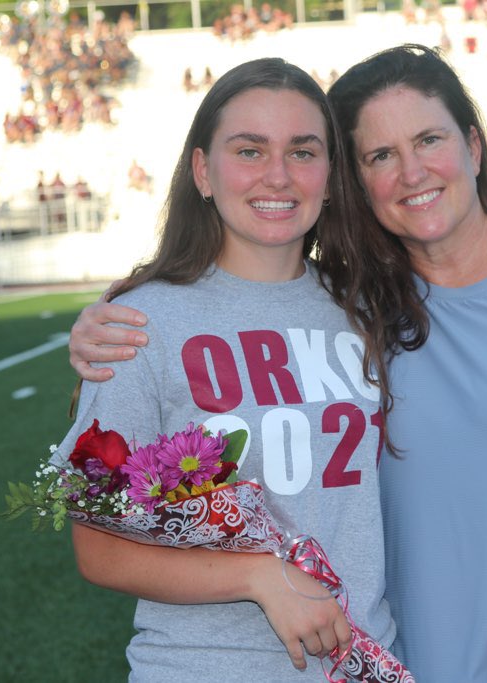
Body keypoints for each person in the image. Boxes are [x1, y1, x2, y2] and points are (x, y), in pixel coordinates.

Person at [69, 45, 487, 683]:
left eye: (429, 138)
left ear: (474, 148)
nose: (411, 172)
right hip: (387, 659)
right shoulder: (355, 300)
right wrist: (110, 326)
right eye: (379, 156)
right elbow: (100, 531)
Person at [53, 58, 417, 682]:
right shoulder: (141, 325)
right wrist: (259, 576)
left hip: (364, 663)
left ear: (331, 178)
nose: (277, 175)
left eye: (303, 152)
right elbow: (98, 548)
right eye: (249, 150)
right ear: (202, 170)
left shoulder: (369, 307)